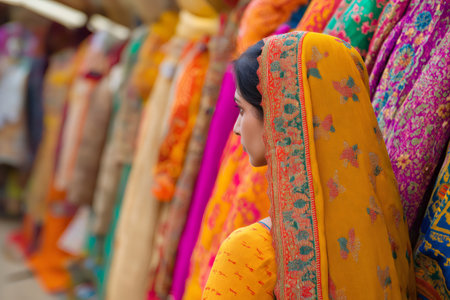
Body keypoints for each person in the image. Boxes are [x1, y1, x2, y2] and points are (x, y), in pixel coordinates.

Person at [202, 31, 416, 299]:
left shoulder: (251, 254)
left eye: (242, 110)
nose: (235, 129)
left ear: (278, 117)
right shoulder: (387, 242)